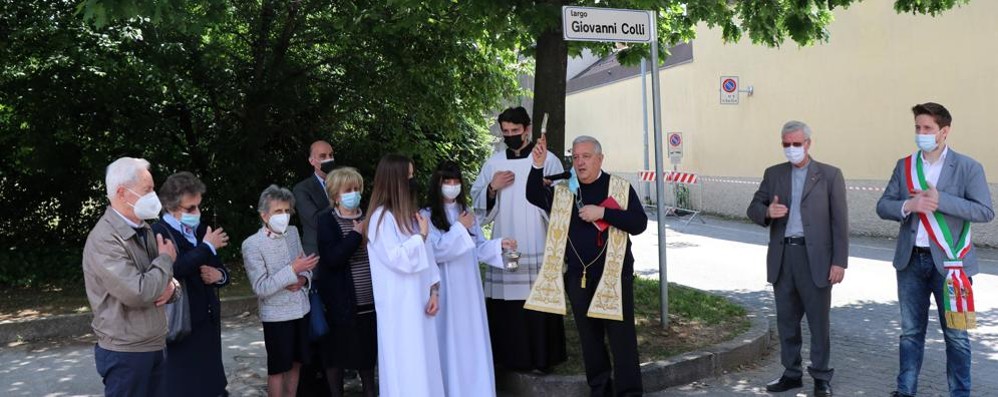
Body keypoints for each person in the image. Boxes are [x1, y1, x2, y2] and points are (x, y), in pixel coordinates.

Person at [876, 103, 994, 397]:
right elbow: (883, 205)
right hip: (911, 263)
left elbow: (984, 211)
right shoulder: (905, 166)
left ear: (944, 131)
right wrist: (908, 205)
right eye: (917, 128)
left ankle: (959, 393)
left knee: (956, 336)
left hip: (952, 267)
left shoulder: (968, 167)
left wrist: (941, 200)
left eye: (927, 128)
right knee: (910, 334)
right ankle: (905, 391)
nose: (921, 133)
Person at [525, 135, 648, 396]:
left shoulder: (619, 187)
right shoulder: (565, 190)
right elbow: (534, 194)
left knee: (621, 340)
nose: (580, 162)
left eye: (586, 157)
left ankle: (629, 392)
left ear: (600, 159)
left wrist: (603, 213)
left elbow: (639, 223)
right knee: (590, 340)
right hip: (578, 278)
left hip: (614, 277)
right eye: (576, 157)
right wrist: (537, 165)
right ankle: (600, 390)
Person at [746, 121, 847, 397]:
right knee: (786, 321)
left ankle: (821, 377)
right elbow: (752, 208)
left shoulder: (829, 175)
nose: (791, 149)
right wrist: (768, 211)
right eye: (786, 144)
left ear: (808, 144)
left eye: (796, 144)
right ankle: (791, 374)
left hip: (816, 259)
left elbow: (840, 223)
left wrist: (839, 262)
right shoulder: (774, 174)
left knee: (818, 323)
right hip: (783, 257)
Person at [470, 106, 567, 372]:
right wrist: (492, 187)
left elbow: (563, 202)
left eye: (515, 130)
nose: (510, 135)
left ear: (528, 130)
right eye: (506, 132)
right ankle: (508, 358)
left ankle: (541, 359)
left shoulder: (547, 160)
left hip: (537, 238)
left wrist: (546, 190)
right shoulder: (494, 163)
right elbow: (477, 203)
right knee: (508, 303)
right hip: (506, 240)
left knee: (536, 301)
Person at [82, 157, 179, 397]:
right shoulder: (105, 238)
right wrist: (166, 260)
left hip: (153, 342)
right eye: (147, 190)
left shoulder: (143, 228)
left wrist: (172, 289)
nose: (154, 196)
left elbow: (165, 280)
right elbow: (139, 291)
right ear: (122, 193)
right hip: (126, 352)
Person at [422, 161, 515, 397]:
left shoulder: (466, 213)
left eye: (456, 182)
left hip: (469, 288)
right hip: (445, 286)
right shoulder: (427, 216)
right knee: (449, 341)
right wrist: (460, 229)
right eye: (447, 182)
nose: (452, 186)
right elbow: (437, 251)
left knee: (470, 341)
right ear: (438, 184)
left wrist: (498, 245)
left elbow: (478, 248)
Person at [365, 154, 444, 397]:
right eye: (408, 176)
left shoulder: (409, 214)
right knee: (405, 363)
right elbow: (397, 257)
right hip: (398, 307)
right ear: (394, 180)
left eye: (413, 175)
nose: (412, 181)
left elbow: (427, 254)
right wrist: (419, 237)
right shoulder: (380, 218)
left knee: (425, 360)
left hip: (419, 301)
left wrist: (434, 290)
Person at [151, 172, 231, 397]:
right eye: (190, 208)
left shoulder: (200, 230)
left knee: (212, 385)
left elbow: (220, 269)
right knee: (184, 385)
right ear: (171, 207)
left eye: (198, 206)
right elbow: (174, 269)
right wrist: (207, 247)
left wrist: (219, 276)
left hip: (208, 321)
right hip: (182, 323)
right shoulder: (160, 232)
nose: (196, 213)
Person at [241, 185, 317, 397]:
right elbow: (261, 287)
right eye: (277, 211)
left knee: (296, 363)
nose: (283, 216)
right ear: (264, 215)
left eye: (286, 211)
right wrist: (292, 271)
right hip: (276, 316)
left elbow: (304, 265)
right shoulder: (252, 244)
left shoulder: (292, 232)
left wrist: (303, 279)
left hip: (301, 310)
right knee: (277, 369)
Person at [315, 167, 377, 397]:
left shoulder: (369, 217)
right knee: (337, 356)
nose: (355, 193)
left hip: (370, 300)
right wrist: (355, 235)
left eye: (357, 189)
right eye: (348, 189)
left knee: (367, 356)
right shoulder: (326, 221)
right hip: (341, 303)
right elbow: (332, 258)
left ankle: (370, 392)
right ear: (335, 195)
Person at [294, 140, 336, 255]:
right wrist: (337, 201)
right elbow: (315, 220)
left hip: (342, 247)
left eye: (331, 155)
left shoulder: (341, 183)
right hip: (317, 252)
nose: (328, 159)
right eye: (323, 156)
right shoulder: (302, 189)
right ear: (312, 161)